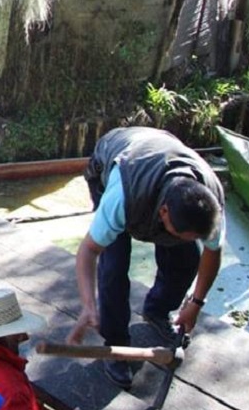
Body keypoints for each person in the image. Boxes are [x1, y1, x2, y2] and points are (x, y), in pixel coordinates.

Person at [68, 126, 225, 389]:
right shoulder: (121, 196)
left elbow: (213, 250)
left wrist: (196, 303)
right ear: (163, 212)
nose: (183, 238)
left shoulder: (211, 201)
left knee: (188, 258)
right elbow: (89, 250)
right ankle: (116, 345)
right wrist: (88, 305)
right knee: (114, 267)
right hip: (117, 158)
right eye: (180, 233)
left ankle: (157, 310)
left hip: (161, 148)